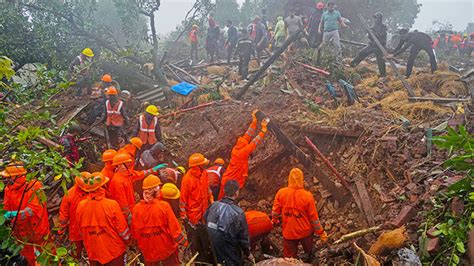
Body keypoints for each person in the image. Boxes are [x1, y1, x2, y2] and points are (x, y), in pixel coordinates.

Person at [272, 168, 328, 262]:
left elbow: (275, 212)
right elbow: (314, 219)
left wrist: (274, 220)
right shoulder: (307, 196)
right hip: (305, 233)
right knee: (310, 254)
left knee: (289, 260)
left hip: (288, 233)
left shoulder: (281, 193)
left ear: (289, 179)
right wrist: (321, 233)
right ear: (302, 179)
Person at [76, 172, 131, 265]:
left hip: (94, 253)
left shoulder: (81, 206)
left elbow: (81, 231)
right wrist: (129, 241)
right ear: (102, 186)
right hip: (114, 252)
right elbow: (122, 229)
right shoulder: (111, 205)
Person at [132, 175, 188, 266]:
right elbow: (175, 230)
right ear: (156, 190)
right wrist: (185, 243)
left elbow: (135, 233)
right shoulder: (164, 206)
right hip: (166, 250)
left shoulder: (136, 209)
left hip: (148, 252)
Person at [2, 162, 50, 265]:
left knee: (47, 254)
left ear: (17, 177)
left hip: (38, 227)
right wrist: (4, 216)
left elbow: (32, 210)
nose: (6, 180)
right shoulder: (8, 189)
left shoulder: (35, 186)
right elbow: (6, 206)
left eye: (8, 177)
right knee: (27, 256)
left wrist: (12, 214)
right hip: (21, 230)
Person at [218, 111, 269, 199]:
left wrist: (254, 122)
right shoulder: (243, 152)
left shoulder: (236, 148)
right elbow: (254, 143)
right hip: (231, 182)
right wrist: (263, 131)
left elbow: (247, 135)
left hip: (227, 180)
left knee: (222, 201)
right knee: (224, 201)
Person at [206, 180, 253, 265]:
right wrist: (248, 253)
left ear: (224, 191)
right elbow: (243, 238)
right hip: (229, 252)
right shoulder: (238, 213)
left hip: (213, 247)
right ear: (236, 193)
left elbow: (205, 219)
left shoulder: (213, 205)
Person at [180, 153, 215, 264]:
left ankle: (206, 257)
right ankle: (198, 261)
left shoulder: (204, 173)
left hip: (204, 213)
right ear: (197, 166)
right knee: (195, 243)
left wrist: (212, 202)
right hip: (192, 217)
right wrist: (184, 218)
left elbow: (207, 189)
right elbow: (182, 201)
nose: (205, 164)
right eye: (203, 163)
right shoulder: (187, 180)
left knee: (205, 239)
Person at [108, 152, 163, 223]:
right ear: (119, 165)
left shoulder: (127, 174)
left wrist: (153, 169)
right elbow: (122, 202)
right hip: (125, 214)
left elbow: (140, 174)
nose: (129, 165)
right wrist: (128, 215)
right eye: (127, 163)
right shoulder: (118, 181)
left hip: (131, 208)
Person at [58, 172, 91, 259]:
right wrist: (61, 230)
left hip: (87, 228)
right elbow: (63, 216)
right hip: (78, 229)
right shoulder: (70, 195)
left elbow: (63, 216)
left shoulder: (69, 194)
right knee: (77, 252)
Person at [350, 12, 387, 77]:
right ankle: (352, 65)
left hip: (380, 46)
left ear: (380, 19)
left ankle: (383, 75)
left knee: (380, 60)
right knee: (362, 53)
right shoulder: (373, 27)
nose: (375, 19)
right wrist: (369, 32)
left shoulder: (383, 27)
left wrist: (373, 33)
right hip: (372, 44)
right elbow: (370, 37)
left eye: (376, 18)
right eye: (375, 18)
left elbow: (382, 35)